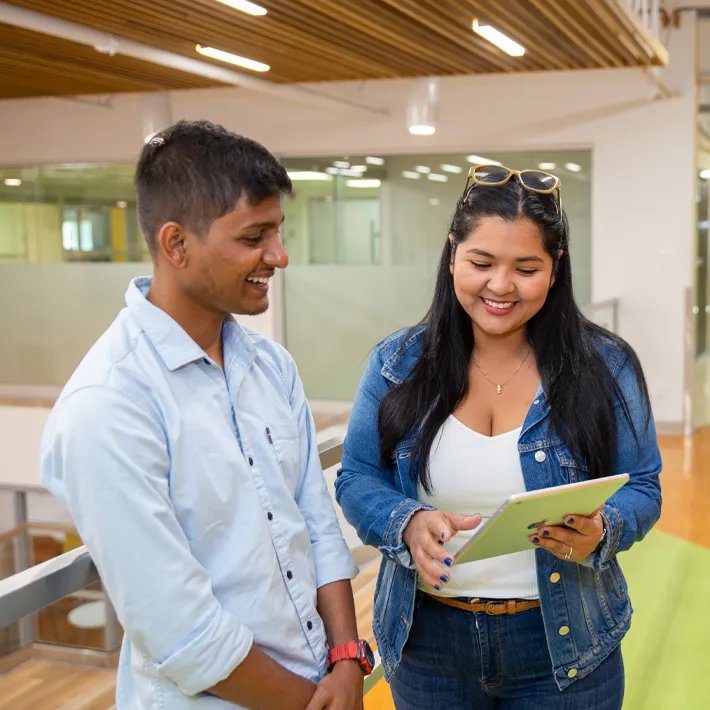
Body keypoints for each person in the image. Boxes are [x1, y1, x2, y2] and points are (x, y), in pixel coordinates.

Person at [41, 120, 374, 710]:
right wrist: (311, 703)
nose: (279, 255)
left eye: (278, 232)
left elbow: (316, 526)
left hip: (324, 680)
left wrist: (346, 660)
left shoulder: (270, 367)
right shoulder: (108, 406)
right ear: (176, 244)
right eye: (255, 237)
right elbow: (180, 628)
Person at [335, 164, 662, 709]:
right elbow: (357, 476)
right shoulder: (399, 363)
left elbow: (644, 486)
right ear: (452, 255)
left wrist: (603, 528)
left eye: (526, 268)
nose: (500, 286)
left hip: (566, 646)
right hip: (429, 645)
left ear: (555, 269)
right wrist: (407, 523)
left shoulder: (606, 365)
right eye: (481, 263)